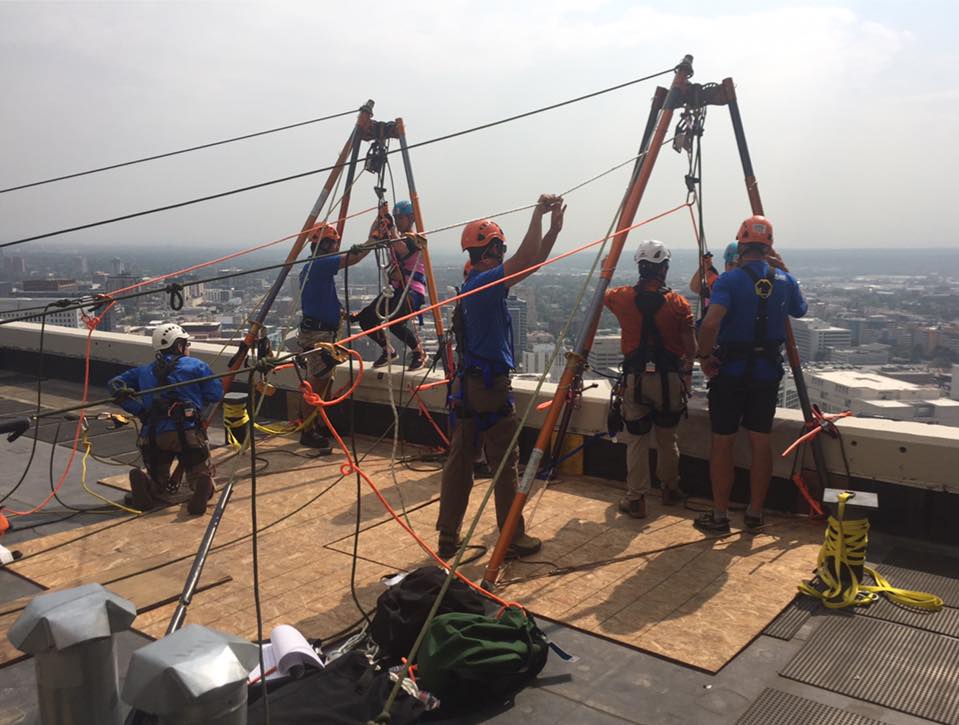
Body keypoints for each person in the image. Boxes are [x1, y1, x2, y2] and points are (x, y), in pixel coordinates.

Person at [436, 194, 565, 559]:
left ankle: (448, 535)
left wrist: (552, 230)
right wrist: (538, 216)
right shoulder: (484, 285)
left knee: (461, 460)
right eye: (500, 247)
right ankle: (512, 536)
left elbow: (531, 263)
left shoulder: (474, 286)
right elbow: (525, 260)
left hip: (468, 386)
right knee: (505, 463)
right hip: (489, 387)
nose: (504, 253)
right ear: (492, 248)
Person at [693, 215, 807, 534]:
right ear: (769, 245)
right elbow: (800, 310)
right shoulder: (784, 280)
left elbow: (712, 323)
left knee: (723, 443)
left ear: (741, 243)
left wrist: (704, 357)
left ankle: (720, 515)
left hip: (730, 372)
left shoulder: (730, 281)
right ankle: (755, 513)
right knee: (760, 442)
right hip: (766, 373)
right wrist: (783, 269)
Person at [605, 240, 696, 518]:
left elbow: (602, 292)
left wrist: (605, 266)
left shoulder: (622, 298)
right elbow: (691, 347)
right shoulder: (678, 304)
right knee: (668, 438)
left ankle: (636, 499)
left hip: (636, 380)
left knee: (637, 440)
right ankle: (670, 488)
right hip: (669, 382)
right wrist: (687, 373)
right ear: (664, 268)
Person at [108, 323, 222, 515]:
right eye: (186, 344)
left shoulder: (144, 371)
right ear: (179, 346)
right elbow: (216, 394)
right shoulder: (196, 366)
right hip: (187, 432)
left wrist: (139, 410)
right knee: (198, 473)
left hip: (153, 433)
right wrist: (194, 402)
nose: (188, 349)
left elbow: (115, 385)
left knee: (158, 481)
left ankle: (147, 485)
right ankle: (202, 486)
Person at [296, 223, 370, 451]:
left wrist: (344, 315)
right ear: (327, 244)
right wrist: (373, 238)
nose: (336, 247)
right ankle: (308, 431)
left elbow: (323, 299)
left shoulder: (315, 268)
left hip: (323, 331)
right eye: (334, 243)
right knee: (317, 383)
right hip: (319, 334)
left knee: (325, 381)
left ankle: (316, 425)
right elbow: (353, 258)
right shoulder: (319, 264)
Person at [354, 200, 428, 371]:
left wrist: (391, 228)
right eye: (396, 217)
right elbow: (373, 236)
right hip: (396, 289)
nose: (398, 220)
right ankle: (388, 350)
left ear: (411, 218)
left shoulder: (414, 239)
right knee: (366, 319)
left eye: (400, 217)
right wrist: (380, 217)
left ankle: (418, 352)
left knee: (395, 321)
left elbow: (402, 249)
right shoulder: (395, 237)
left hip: (412, 291)